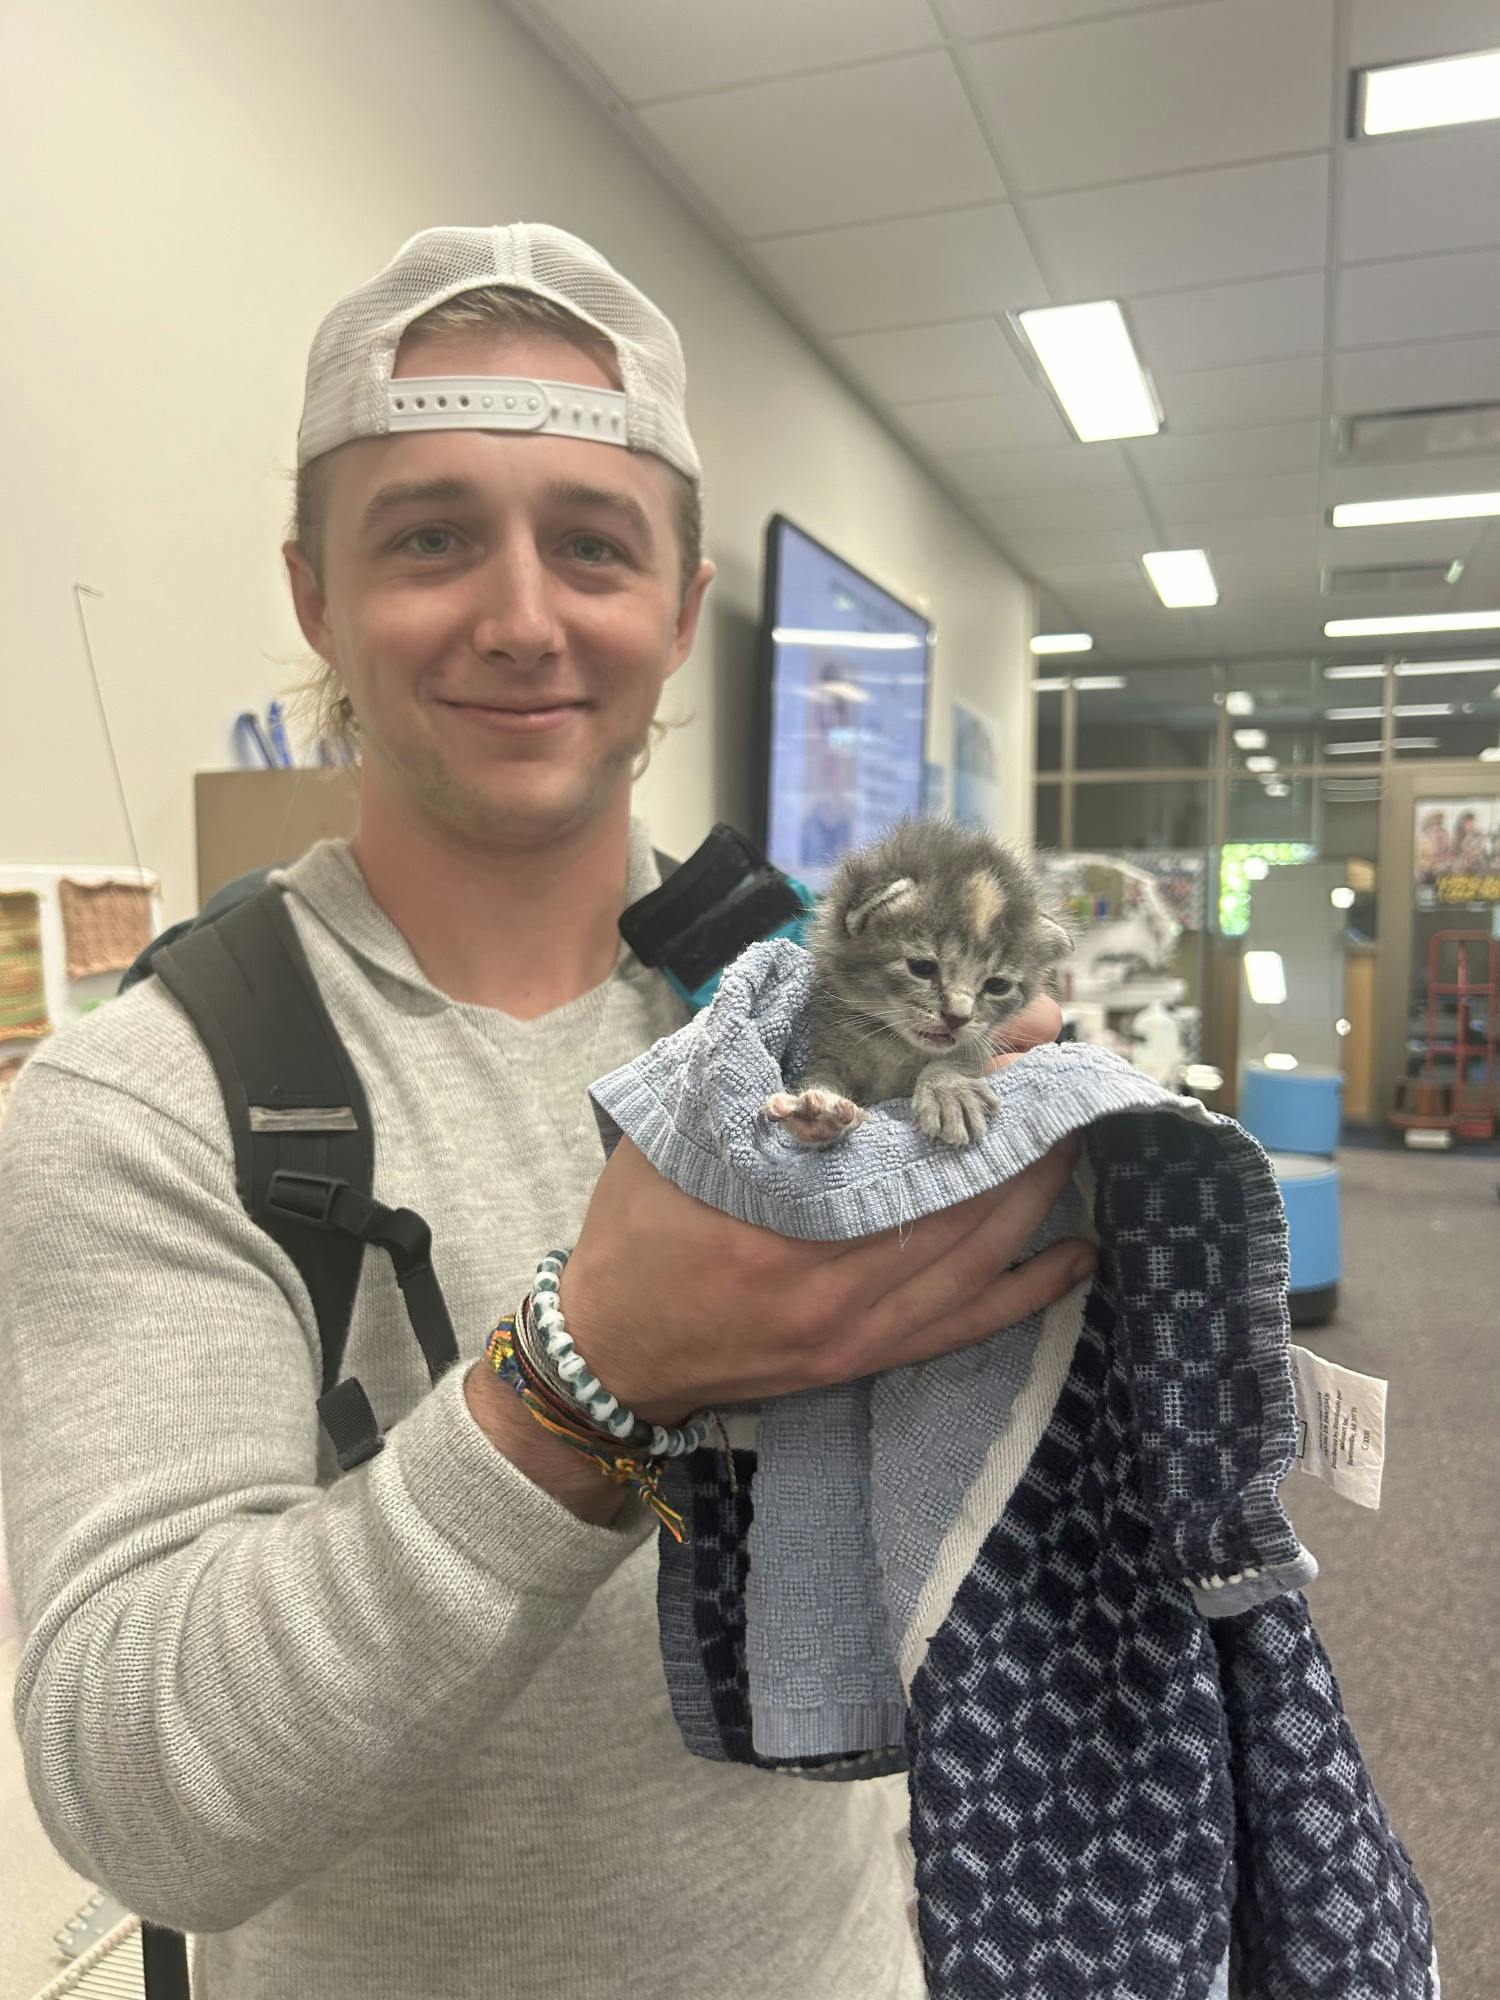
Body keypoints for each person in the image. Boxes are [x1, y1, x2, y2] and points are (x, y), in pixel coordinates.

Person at [0, 224, 1094, 1999]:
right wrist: (587, 1374)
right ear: (316, 598)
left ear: (677, 605)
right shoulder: (146, 1101)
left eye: (590, 546)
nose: (521, 619)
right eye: (431, 537)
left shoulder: (832, 1016)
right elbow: (139, 1799)